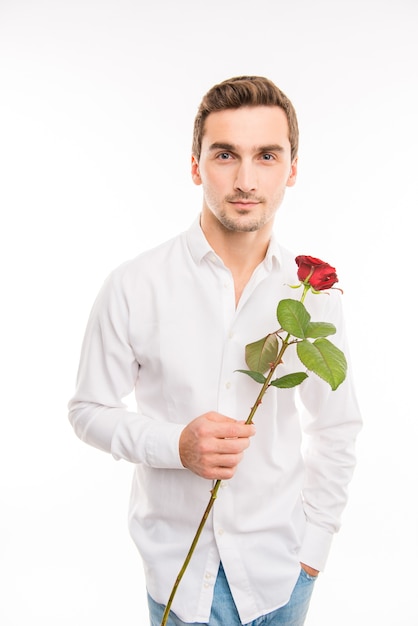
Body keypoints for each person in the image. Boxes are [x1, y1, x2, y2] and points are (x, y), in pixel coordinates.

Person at [68, 76, 362, 626]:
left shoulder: (314, 300)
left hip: (281, 576)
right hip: (176, 574)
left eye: (267, 156)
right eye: (225, 154)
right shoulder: (134, 284)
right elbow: (87, 411)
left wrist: (313, 554)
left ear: (292, 169)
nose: (246, 180)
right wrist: (175, 444)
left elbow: (337, 426)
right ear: (196, 165)